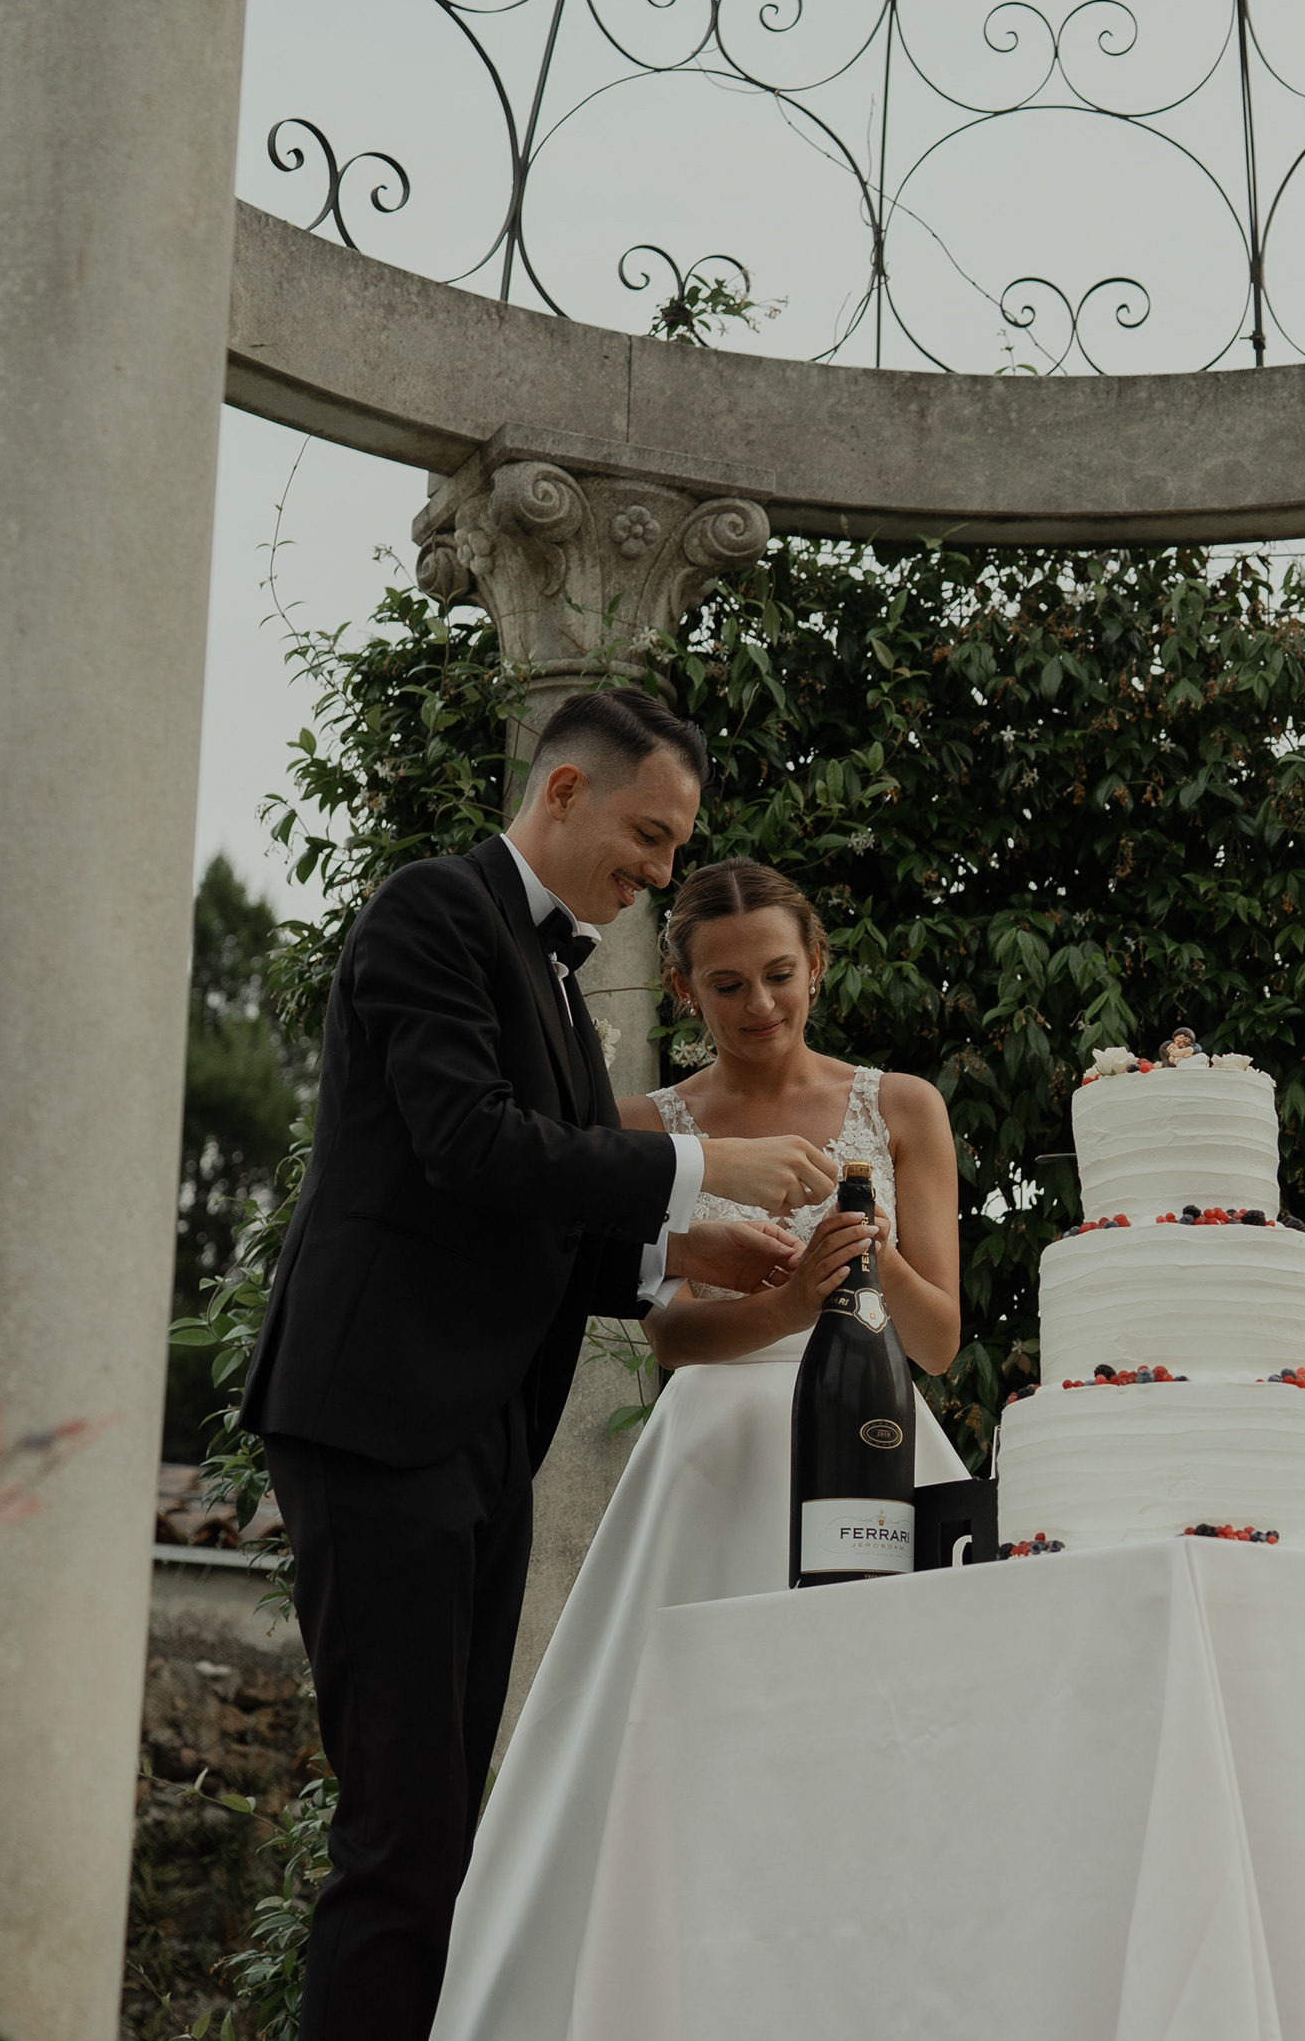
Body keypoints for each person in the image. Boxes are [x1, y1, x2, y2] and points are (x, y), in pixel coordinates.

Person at [241, 690, 837, 2041]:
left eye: (677, 846)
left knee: (444, 1829)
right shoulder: (431, 912)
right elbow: (470, 1144)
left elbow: (535, 1220)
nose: (662, 873)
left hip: (475, 1436)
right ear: (563, 791)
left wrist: (682, 1256)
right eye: (650, 835)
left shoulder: (562, 985)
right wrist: (701, 1166)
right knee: (400, 1839)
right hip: (379, 1417)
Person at [429, 856, 970, 2040]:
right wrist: (784, 1305)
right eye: (726, 985)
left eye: (778, 974)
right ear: (683, 989)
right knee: (693, 1750)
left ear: (816, 965)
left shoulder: (905, 1108)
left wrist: (865, 1248)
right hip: (713, 1463)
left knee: (883, 1736)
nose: (759, 1004)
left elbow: (937, 1341)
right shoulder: (646, 1125)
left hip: (875, 1441)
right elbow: (669, 1335)